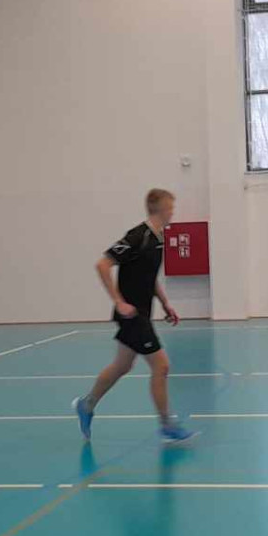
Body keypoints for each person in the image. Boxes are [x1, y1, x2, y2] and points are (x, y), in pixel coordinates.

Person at [72, 189, 195, 445]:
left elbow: (149, 277)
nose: (173, 212)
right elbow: (102, 265)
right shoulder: (137, 236)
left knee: (122, 366)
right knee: (161, 366)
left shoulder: (159, 239)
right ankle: (167, 425)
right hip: (132, 315)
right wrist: (118, 302)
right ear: (159, 209)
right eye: (170, 208)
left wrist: (165, 303)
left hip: (143, 314)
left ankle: (87, 404)